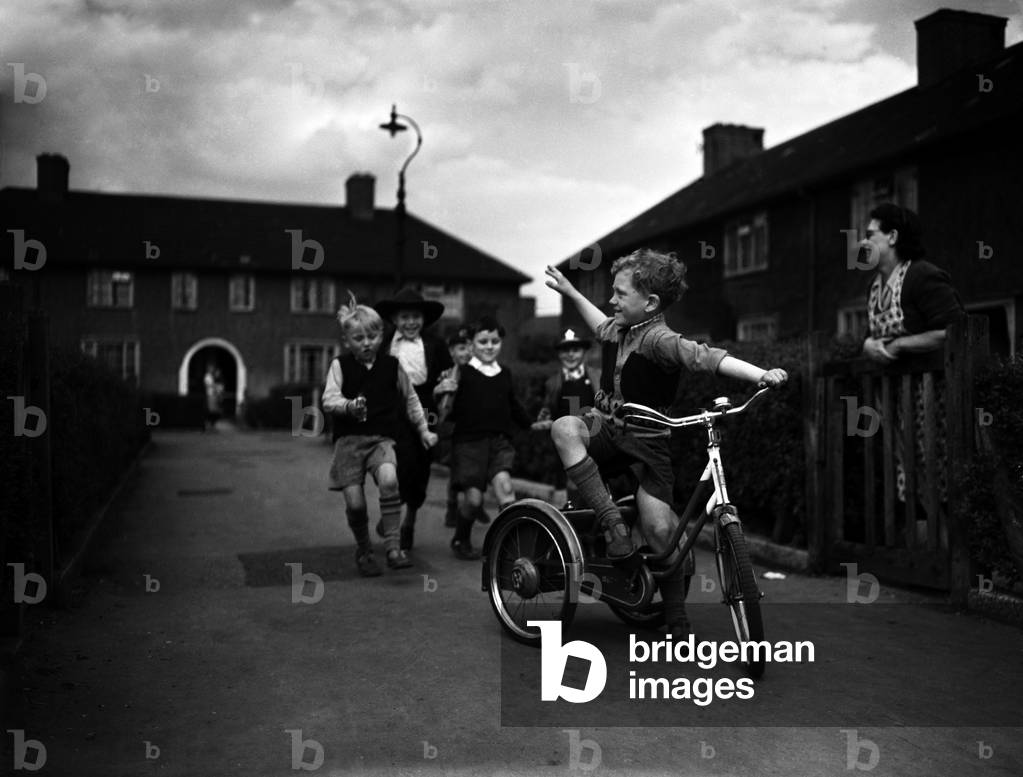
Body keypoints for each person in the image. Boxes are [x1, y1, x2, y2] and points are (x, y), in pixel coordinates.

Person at [544, 249, 788, 637]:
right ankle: (615, 529)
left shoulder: (659, 339)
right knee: (565, 428)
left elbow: (707, 357)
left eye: (620, 294)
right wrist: (572, 292)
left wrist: (761, 374)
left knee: (660, 529)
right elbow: (599, 323)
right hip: (606, 430)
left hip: (648, 442)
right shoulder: (619, 328)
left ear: (651, 303)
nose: (612, 300)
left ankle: (675, 616)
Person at [859, 203, 964, 531]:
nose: (864, 243)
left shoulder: (921, 275)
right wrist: (867, 345)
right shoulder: (875, 287)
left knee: (939, 469)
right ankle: (927, 550)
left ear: (891, 237)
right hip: (894, 402)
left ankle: (954, 552)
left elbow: (955, 329)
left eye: (870, 234)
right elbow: (869, 335)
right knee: (906, 471)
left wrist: (900, 345)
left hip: (931, 398)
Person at [322, 295, 438, 575]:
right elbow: (328, 400)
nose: (367, 343)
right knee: (356, 504)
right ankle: (364, 550)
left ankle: (393, 548)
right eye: (359, 338)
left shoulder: (392, 365)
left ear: (381, 336)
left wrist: (424, 430)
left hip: (381, 440)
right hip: (349, 443)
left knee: (389, 480)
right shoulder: (339, 366)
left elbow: (411, 399)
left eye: (373, 336)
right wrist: (348, 406)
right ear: (347, 340)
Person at [435, 316, 533, 560]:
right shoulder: (462, 374)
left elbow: (513, 405)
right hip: (469, 444)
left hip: (499, 443)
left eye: (495, 341)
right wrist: (441, 395)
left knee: (505, 487)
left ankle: (514, 547)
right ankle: (461, 537)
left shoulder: (505, 373)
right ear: (472, 345)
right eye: (483, 342)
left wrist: (532, 425)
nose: (490, 346)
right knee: (473, 499)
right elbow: (445, 410)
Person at [374, 288, 453, 553]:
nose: (410, 322)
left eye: (416, 317)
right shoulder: (383, 344)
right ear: (395, 319)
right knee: (394, 465)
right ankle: (392, 513)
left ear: (424, 319)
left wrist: (445, 392)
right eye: (405, 317)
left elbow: (448, 375)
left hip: (425, 407)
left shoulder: (435, 344)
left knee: (420, 467)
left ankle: (409, 522)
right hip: (392, 410)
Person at [531, 329, 599, 504]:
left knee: (593, 476)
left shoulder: (596, 377)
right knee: (570, 478)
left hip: (591, 435)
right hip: (564, 438)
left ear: (584, 353)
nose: (571, 355)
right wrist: (544, 417)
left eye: (575, 350)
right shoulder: (553, 382)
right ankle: (573, 513)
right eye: (565, 351)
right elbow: (548, 407)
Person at [434, 326, 475, 528]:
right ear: (452, 352)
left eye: (469, 347)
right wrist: (440, 390)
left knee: (472, 470)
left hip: (473, 428)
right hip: (453, 428)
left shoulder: (478, 372)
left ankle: (472, 502)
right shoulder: (447, 375)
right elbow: (439, 406)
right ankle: (452, 505)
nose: (466, 352)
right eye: (461, 348)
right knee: (456, 470)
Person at [203, 363, 224, 432]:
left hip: (215, 395)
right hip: (211, 395)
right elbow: (210, 385)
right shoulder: (208, 377)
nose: (212, 369)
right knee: (211, 411)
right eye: (211, 368)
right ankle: (209, 426)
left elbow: (218, 386)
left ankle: (212, 426)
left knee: (215, 411)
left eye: (212, 368)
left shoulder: (213, 377)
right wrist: (218, 387)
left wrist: (219, 389)